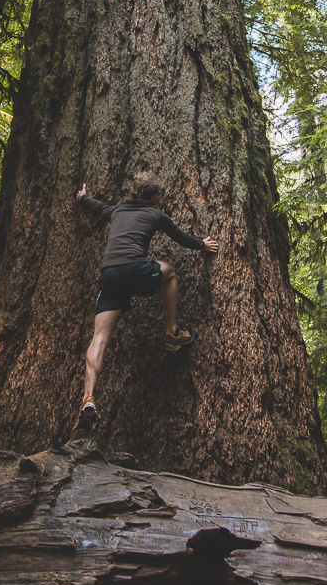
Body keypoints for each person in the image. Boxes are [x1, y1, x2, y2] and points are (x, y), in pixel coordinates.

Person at [75, 171, 220, 430]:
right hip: (136, 269)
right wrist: (202, 244)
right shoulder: (155, 214)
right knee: (170, 271)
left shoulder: (118, 210)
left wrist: (84, 197)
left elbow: (98, 208)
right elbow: (179, 236)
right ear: (154, 196)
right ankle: (172, 332)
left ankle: (89, 397)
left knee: (99, 337)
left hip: (110, 275)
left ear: (132, 192)